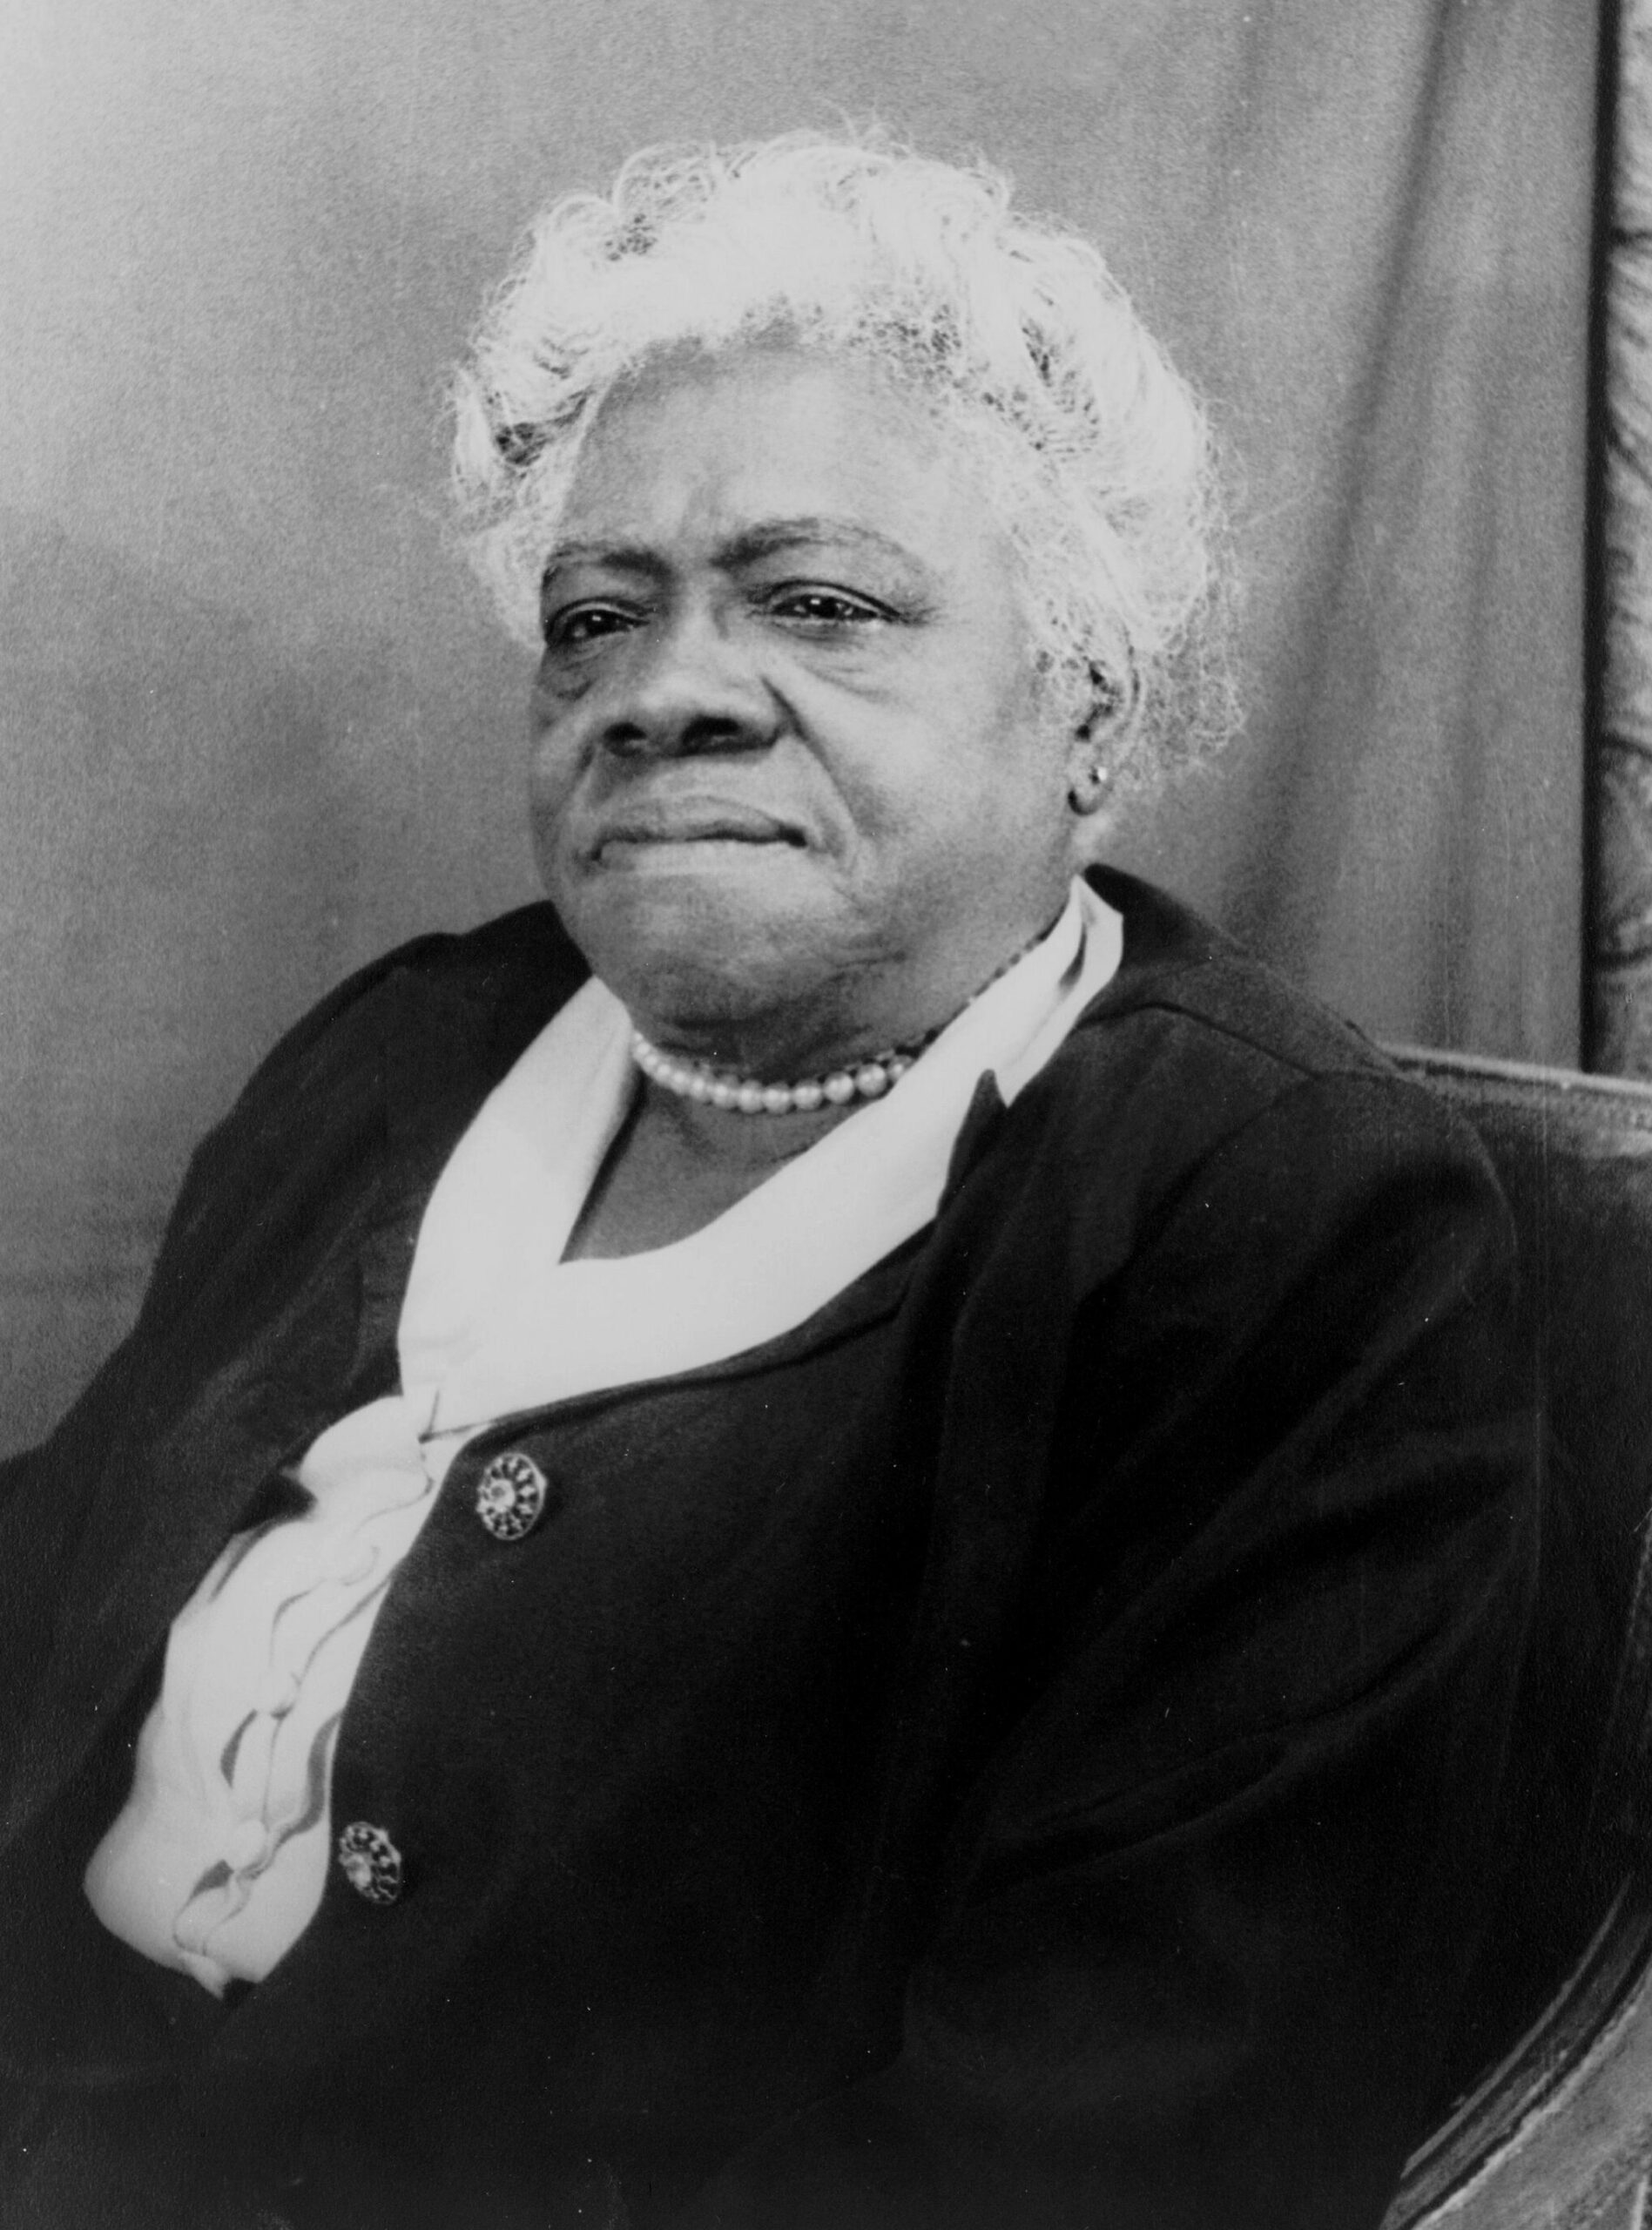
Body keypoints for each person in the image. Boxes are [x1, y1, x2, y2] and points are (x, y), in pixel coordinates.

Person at [0, 132, 1535, 2230]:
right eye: (593, 618)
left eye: (818, 603)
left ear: (1087, 703)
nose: (663, 693)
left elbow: (1115, 2141)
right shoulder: (412, 1048)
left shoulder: (1275, 1224)